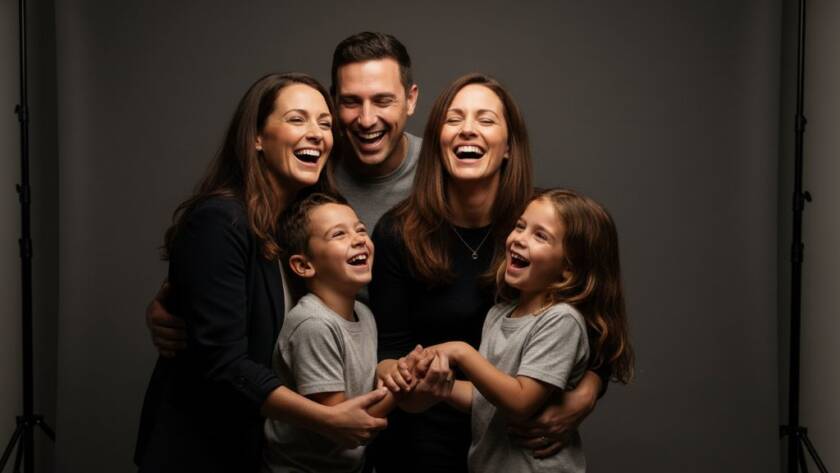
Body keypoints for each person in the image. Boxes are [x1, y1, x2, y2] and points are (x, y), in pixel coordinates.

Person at [145, 32, 604, 462]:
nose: (366, 119)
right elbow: (227, 279)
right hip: (326, 430)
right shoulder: (312, 183)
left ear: (411, 101)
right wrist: (176, 304)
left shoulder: (461, 174)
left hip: (466, 436)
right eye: (348, 103)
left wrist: (584, 391)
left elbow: (584, 304)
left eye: (382, 100)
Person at [134, 73, 387, 473]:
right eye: (297, 119)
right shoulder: (221, 220)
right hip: (200, 451)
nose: (316, 134)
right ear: (256, 137)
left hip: (257, 452)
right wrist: (327, 420)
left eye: (324, 123)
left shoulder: (298, 226)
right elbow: (223, 362)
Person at [368, 74, 611, 473]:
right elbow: (387, 351)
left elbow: (599, 325)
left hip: (519, 449)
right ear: (436, 142)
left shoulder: (545, 225)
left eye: (485, 119)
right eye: (454, 119)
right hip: (420, 446)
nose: (468, 129)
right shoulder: (397, 233)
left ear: (509, 147)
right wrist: (409, 377)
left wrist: (585, 395)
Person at [421, 188, 635, 472]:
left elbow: (521, 401)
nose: (519, 239)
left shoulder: (561, 320)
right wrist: (441, 387)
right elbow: (486, 398)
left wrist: (461, 352)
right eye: (520, 227)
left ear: (568, 269)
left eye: (540, 236)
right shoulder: (498, 314)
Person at [262, 192, 399, 473]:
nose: (359, 238)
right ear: (303, 265)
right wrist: (407, 386)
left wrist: (402, 371)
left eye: (360, 229)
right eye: (339, 234)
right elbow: (346, 427)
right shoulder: (313, 324)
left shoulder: (365, 314)